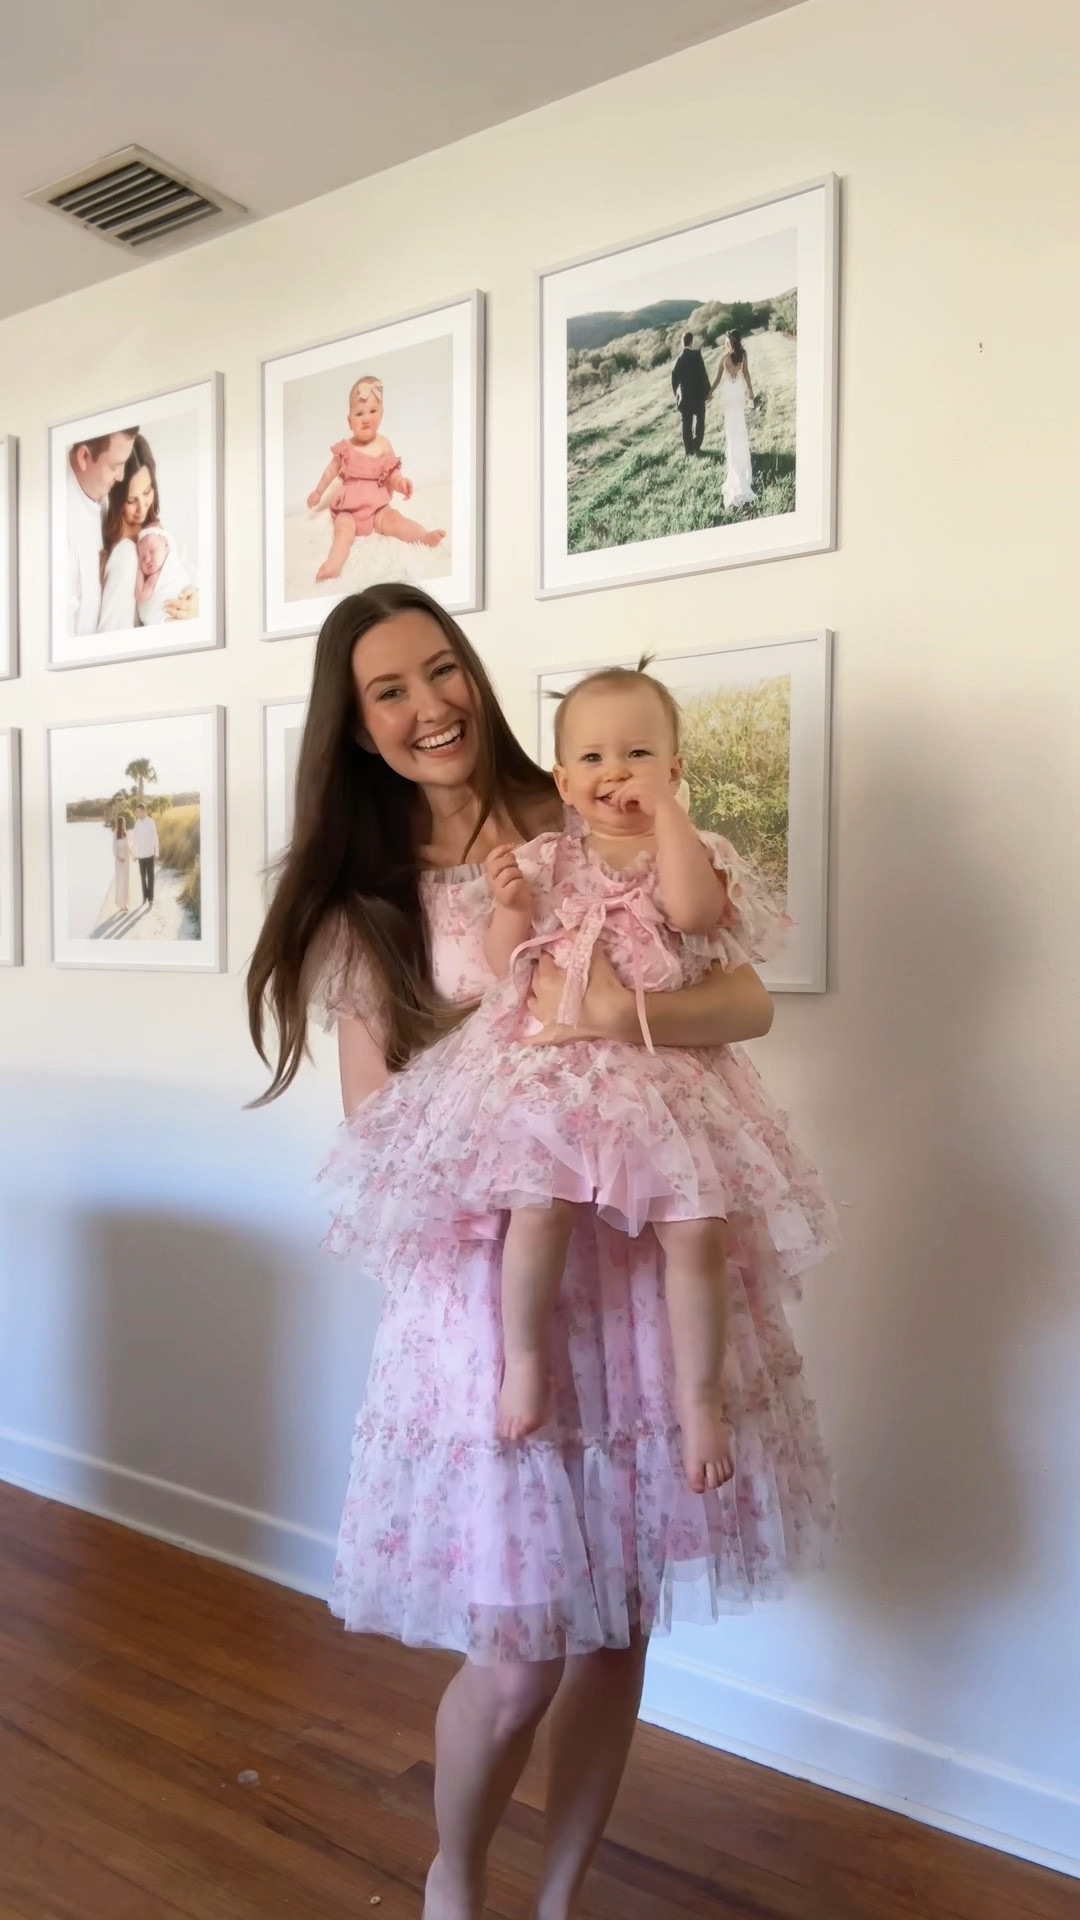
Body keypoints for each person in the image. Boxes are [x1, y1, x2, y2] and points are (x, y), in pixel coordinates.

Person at [247, 583, 835, 1920]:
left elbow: (736, 998)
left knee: (617, 1625)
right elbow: (381, 1129)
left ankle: (559, 1895)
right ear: (353, 727)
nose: (427, 706)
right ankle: (458, 1876)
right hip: (493, 1276)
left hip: (635, 1265)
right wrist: (513, 1090)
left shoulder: (585, 807)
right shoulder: (371, 898)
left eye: (440, 671)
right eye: (387, 691)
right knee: (517, 1650)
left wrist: (607, 1022)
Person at [323, 662, 835, 1488]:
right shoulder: (547, 858)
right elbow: (507, 968)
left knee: (697, 1229)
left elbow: (699, 917)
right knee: (539, 1205)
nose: (617, 773)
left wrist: (668, 817)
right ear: (564, 779)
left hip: (662, 1083)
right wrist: (515, 912)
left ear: (674, 769)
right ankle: (523, 1359)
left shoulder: (694, 852)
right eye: (593, 760)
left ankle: (700, 1399)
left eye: (639, 755)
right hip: (556, 1082)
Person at [307, 375, 445, 583]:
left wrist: (400, 483)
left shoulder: (383, 445)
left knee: (397, 521)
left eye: (372, 411)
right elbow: (330, 471)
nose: (366, 418)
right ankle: (333, 564)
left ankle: (423, 537)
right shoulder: (345, 448)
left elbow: (392, 473)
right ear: (349, 420)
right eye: (359, 413)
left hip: (377, 509)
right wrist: (318, 492)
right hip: (350, 511)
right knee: (342, 532)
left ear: (381, 415)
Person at [98, 434, 199, 633]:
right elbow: (113, 633)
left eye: (147, 492)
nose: (142, 508)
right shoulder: (124, 554)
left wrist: (198, 602)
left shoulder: (158, 537)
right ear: (117, 501)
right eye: (130, 500)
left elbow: (191, 574)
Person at [68, 428, 138, 636]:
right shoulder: (55, 524)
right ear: (84, 457)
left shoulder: (108, 497)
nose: (121, 476)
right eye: (115, 466)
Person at [710, 329, 757, 510]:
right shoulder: (743, 355)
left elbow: (717, 379)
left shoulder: (724, 359)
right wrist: (750, 391)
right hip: (738, 394)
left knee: (731, 430)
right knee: (740, 426)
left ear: (729, 343)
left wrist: (710, 392)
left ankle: (735, 463)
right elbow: (746, 374)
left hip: (730, 396)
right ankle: (742, 459)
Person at [135, 526, 190, 625]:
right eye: (142, 558)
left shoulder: (160, 573)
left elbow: (141, 595)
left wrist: (139, 570)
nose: (147, 560)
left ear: (166, 545)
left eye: (152, 551)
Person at [670, 331, 710, 457]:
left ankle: (689, 450)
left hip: (685, 398)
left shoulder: (677, 361)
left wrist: (677, 397)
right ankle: (697, 444)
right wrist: (708, 391)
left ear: (683, 343)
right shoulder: (696, 355)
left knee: (686, 424)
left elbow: (674, 383)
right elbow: (703, 375)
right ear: (691, 342)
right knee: (700, 419)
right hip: (698, 396)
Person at [131, 804, 159, 906]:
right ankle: (144, 896)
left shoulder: (151, 822)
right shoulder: (137, 823)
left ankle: (151, 898)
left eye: (138, 811)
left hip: (150, 853)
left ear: (143, 811)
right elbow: (135, 839)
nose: (137, 813)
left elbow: (155, 837)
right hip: (141, 855)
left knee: (151, 876)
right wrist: (134, 854)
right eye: (137, 812)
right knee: (142, 877)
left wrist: (157, 852)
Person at [111, 815, 132, 913]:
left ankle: (125, 903)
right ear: (120, 824)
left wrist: (133, 856)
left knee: (126, 881)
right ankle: (121, 904)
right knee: (120, 881)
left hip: (126, 860)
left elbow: (128, 846)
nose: (124, 824)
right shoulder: (115, 834)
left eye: (125, 822)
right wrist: (119, 858)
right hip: (119, 861)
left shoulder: (125, 833)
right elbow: (114, 849)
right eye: (123, 822)